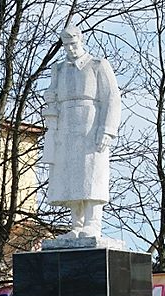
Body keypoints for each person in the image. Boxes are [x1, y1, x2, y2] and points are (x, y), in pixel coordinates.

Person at [41, 23, 121, 240]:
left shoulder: (97, 66)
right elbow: (52, 99)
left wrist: (107, 129)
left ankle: (93, 223)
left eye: (73, 44)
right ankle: (76, 224)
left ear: (81, 40)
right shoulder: (59, 70)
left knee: (91, 175)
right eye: (66, 45)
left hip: (91, 126)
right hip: (66, 127)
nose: (70, 49)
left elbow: (112, 98)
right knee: (70, 176)